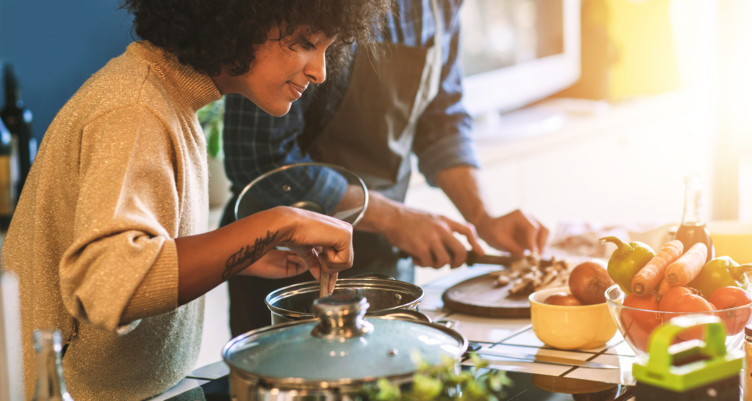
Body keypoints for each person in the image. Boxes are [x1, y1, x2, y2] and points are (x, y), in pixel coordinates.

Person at [0, 0, 390, 400]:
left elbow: (147, 249)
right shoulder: (133, 108)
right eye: (308, 42)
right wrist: (280, 222)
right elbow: (110, 285)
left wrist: (246, 253)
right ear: (239, 17)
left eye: (328, 49)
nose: (320, 72)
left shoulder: (168, 99)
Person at [221, 0, 551, 335]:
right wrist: (393, 218)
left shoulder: (441, 6)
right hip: (291, 272)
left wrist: (482, 217)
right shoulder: (305, 12)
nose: (318, 70)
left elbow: (442, 120)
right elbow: (260, 158)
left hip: (385, 265)